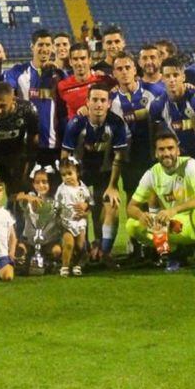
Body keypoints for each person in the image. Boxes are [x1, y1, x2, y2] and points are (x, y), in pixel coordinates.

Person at [126, 130, 195, 276]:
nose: (166, 153)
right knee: (132, 226)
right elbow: (131, 207)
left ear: (177, 150)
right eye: (162, 149)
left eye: (170, 148)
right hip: (176, 224)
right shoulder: (152, 174)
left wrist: (174, 210)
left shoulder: (190, 165)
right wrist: (141, 215)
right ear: (156, 153)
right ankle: (174, 255)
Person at [61, 83, 127, 264]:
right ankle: (83, 251)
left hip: (105, 173)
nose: (98, 104)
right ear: (87, 102)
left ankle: (104, 252)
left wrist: (113, 186)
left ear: (108, 103)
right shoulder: (76, 123)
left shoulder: (116, 123)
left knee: (110, 207)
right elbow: (65, 154)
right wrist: (68, 183)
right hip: (80, 175)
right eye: (95, 100)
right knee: (79, 209)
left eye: (102, 100)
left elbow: (119, 157)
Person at [4, 29, 66, 168]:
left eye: (48, 45)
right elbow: (8, 94)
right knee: (24, 187)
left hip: (52, 142)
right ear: (32, 47)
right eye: (40, 45)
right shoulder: (17, 71)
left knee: (52, 187)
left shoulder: (59, 74)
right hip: (24, 142)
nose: (44, 49)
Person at [150, 57, 195, 170]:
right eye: (167, 76)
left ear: (183, 76)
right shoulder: (158, 105)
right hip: (178, 159)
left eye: (175, 75)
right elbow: (159, 137)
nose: (172, 80)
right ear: (162, 78)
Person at [108, 52, 156, 202]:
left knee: (155, 199)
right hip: (128, 158)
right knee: (132, 199)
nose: (124, 72)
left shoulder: (151, 94)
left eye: (127, 67)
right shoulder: (111, 102)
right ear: (114, 73)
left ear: (135, 70)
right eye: (119, 69)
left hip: (152, 156)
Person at [54, 160, 91, 277]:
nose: (67, 177)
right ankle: (64, 266)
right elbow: (56, 205)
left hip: (80, 222)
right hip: (66, 222)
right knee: (69, 244)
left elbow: (90, 205)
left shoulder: (84, 189)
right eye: (63, 175)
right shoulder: (61, 189)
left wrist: (85, 211)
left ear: (77, 172)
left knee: (80, 245)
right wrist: (57, 217)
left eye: (70, 173)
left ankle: (77, 264)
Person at [56, 43, 104, 121]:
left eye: (83, 58)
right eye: (75, 59)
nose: (79, 63)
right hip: (74, 130)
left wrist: (89, 109)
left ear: (90, 60)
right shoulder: (62, 86)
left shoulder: (101, 81)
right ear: (70, 62)